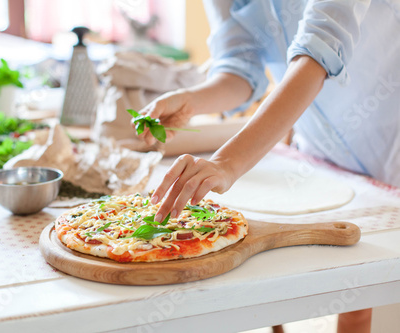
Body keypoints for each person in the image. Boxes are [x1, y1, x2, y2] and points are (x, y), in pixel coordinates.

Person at [133, 1, 400, 332]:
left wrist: (227, 163)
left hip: (390, 139)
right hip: (319, 152)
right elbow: (239, 69)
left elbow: (318, 53)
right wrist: (193, 100)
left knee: (365, 294)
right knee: (335, 280)